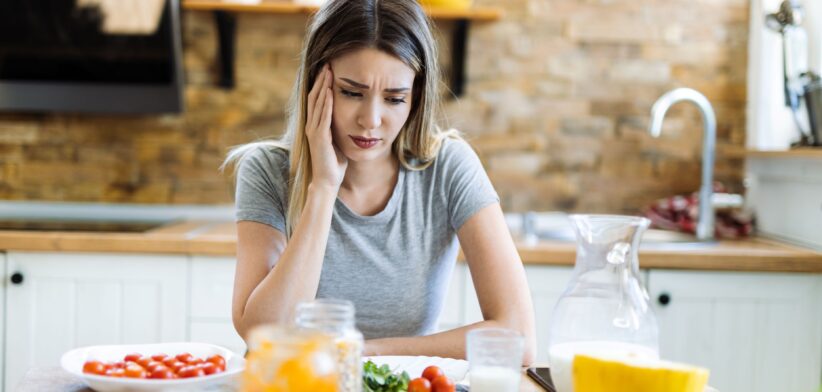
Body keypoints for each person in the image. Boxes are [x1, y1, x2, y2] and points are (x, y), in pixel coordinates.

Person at [224, 0, 535, 364]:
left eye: (394, 98)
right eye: (352, 92)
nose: (371, 120)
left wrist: (361, 354)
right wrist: (322, 189)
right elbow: (264, 334)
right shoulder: (266, 169)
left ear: (416, 98)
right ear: (315, 86)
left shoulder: (449, 166)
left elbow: (519, 338)